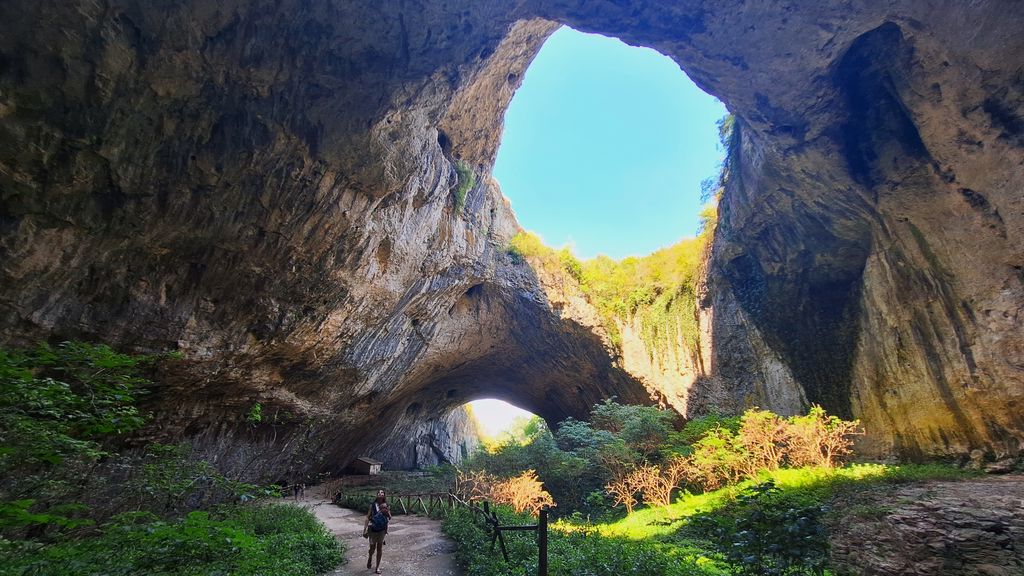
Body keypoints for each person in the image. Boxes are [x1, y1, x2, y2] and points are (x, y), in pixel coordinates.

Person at [362, 489, 391, 574]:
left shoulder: (386, 505)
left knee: (379, 548)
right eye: (379, 492)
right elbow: (367, 517)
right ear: (377, 495)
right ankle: (370, 557)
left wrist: (386, 512)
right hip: (373, 529)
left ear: (384, 495)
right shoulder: (372, 505)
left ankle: (377, 567)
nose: (380, 494)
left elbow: (390, 517)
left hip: (382, 530)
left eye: (382, 493)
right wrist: (364, 529)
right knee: (372, 548)